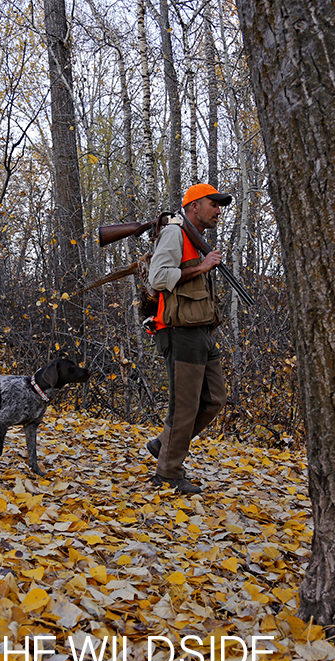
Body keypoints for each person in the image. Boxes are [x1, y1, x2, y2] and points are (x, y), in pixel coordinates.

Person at [145, 183, 230, 494]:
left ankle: (164, 444)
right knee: (185, 407)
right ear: (194, 206)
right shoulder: (174, 234)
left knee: (215, 399)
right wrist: (202, 266)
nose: (218, 211)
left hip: (202, 331)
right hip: (180, 332)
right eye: (214, 204)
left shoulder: (196, 239)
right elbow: (158, 277)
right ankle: (168, 472)